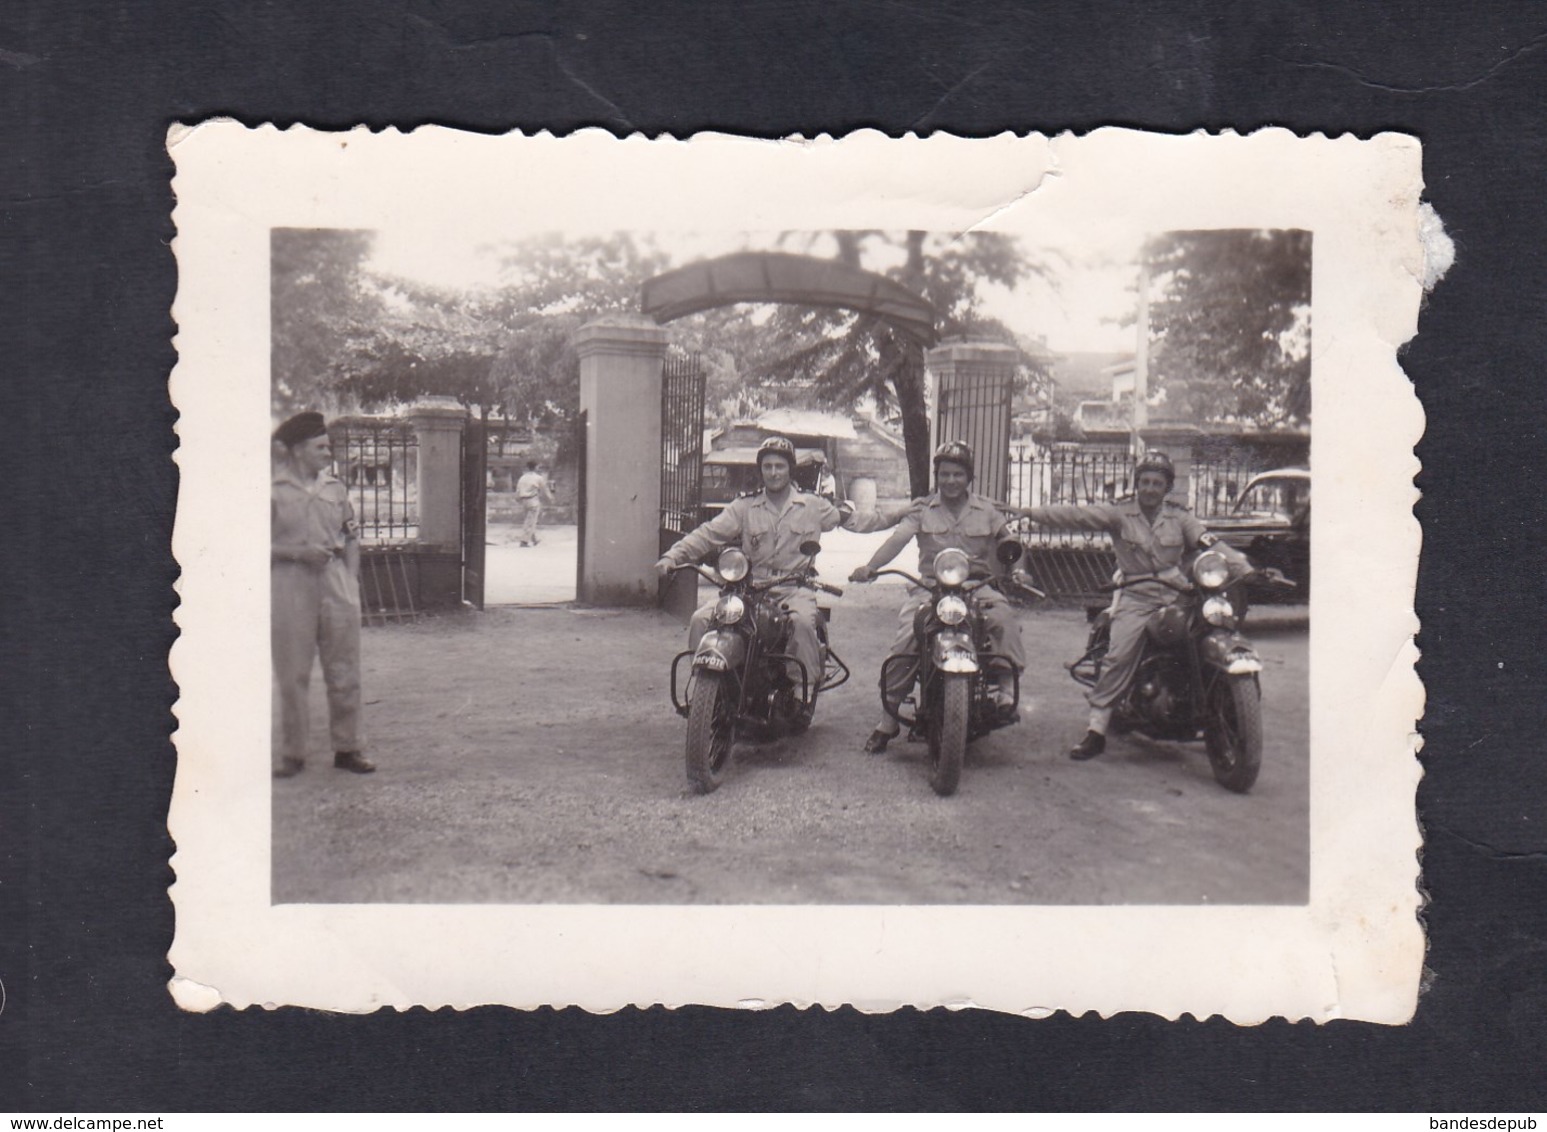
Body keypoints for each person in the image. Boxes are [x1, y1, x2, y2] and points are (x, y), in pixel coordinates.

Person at [1015, 449, 1251, 761]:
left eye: (1157, 483)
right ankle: (1096, 730)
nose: (1150, 488)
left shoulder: (1180, 517)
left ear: (1167, 487)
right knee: (1120, 655)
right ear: (1136, 484)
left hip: (1176, 592)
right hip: (1137, 594)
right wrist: (1030, 512)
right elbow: (1075, 514)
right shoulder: (1120, 514)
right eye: (1145, 482)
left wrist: (1242, 566)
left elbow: (1210, 542)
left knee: (1208, 630)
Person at [654, 436, 895, 724]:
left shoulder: (812, 505)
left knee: (803, 624)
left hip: (794, 587)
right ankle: (707, 685)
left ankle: (799, 694)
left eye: (779, 466)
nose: (773, 472)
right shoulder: (745, 507)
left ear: (790, 469)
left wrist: (901, 515)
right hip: (750, 589)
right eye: (767, 466)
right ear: (761, 470)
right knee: (701, 619)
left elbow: (858, 521)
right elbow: (707, 533)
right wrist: (673, 556)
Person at [848, 440, 1033, 754]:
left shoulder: (986, 510)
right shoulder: (922, 509)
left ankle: (1004, 689)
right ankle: (888, 718)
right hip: (931, 587)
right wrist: (870, 567)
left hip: (976, 585)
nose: (950, 481)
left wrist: (1018, 570)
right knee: (908, 635)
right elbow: (898, 539)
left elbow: (1010, 541)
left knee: (1003, 617)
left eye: (957, 474)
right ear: (937, 476)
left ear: (968, 477)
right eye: (944, 474)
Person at [270, 411, 373, 777]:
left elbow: (352, 536)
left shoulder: (336, 489)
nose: (328, 453)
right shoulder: (274, 492)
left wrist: (352, 581)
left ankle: (348, 748)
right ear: (298, 450)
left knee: (345, 669)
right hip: (289, 584)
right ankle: (293, 753)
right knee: (293, 672)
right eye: (320, 447)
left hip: (335, 583)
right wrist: (296, 553)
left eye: (328, 446)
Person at [515, 459, 555, 547]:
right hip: (533, 500)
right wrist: (551, 498)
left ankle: (534, 539)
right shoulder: (538, 478)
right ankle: (524, 541)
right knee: (531, 521)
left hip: (524, 500)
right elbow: (545, 489)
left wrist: (517, 499)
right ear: (536, 467)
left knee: (529, 520)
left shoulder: (522, 477)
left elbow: (518, 490)